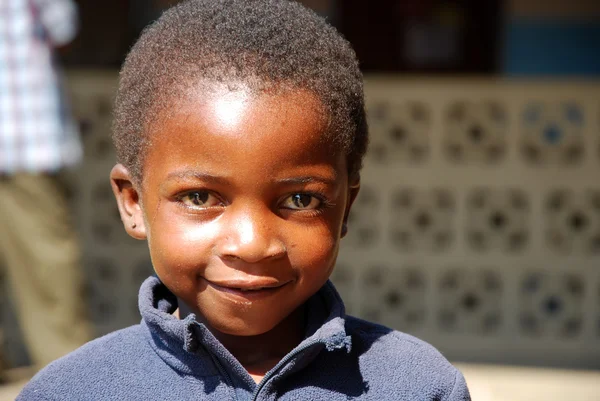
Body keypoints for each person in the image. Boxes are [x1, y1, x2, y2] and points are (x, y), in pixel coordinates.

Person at [18, 0, 471, 399]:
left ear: (345, 208)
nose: (253, 245)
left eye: (299, 200)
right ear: (133, 203)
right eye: (200, 196)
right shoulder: (71, 391)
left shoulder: (416, 385)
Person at [0, 0, 91, 378]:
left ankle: (67, 380)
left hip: (22, 139)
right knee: (47, 266)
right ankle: (69, 377)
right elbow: (62, 28)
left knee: (47, 264)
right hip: (22, 135)